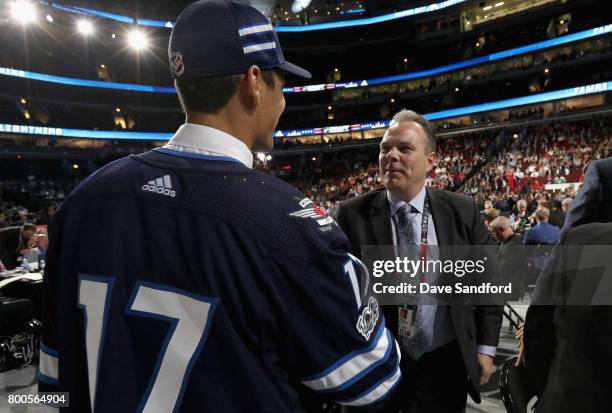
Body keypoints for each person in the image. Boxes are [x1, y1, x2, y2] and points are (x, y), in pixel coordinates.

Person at [38, 1, 400, 412]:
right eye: (281, 83)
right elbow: (371, 378)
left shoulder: (81, 204)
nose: (282, 101)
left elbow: (53, 386)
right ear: (254, 81)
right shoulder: (285, 222)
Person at [336, 109, 503, 413]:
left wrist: (487, 348)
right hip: (376, 364)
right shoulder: (350, 215)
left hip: (444, 363)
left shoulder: (462, 211)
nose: (391, 156)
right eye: (385, 148)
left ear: (431, 161)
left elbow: (489, 281)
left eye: (405, 148)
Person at [490, 216, 529, 300]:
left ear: (501, 230)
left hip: (509, 287)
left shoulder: (513, 247)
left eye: (494, 232)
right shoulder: (509, 242)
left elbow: (503, 271)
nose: (493, 235)